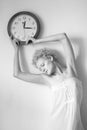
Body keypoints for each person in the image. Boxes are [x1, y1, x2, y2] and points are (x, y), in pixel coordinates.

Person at [11, 33, 84, 130]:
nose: (42, 69)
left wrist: (37, 41)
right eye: (40, 69)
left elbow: (63, 37)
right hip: (58, 125)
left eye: (42, 65)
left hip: (76, 125)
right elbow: (17, 74)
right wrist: (16, 50)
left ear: (50, 58)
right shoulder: (47, 79)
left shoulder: (71, 69)